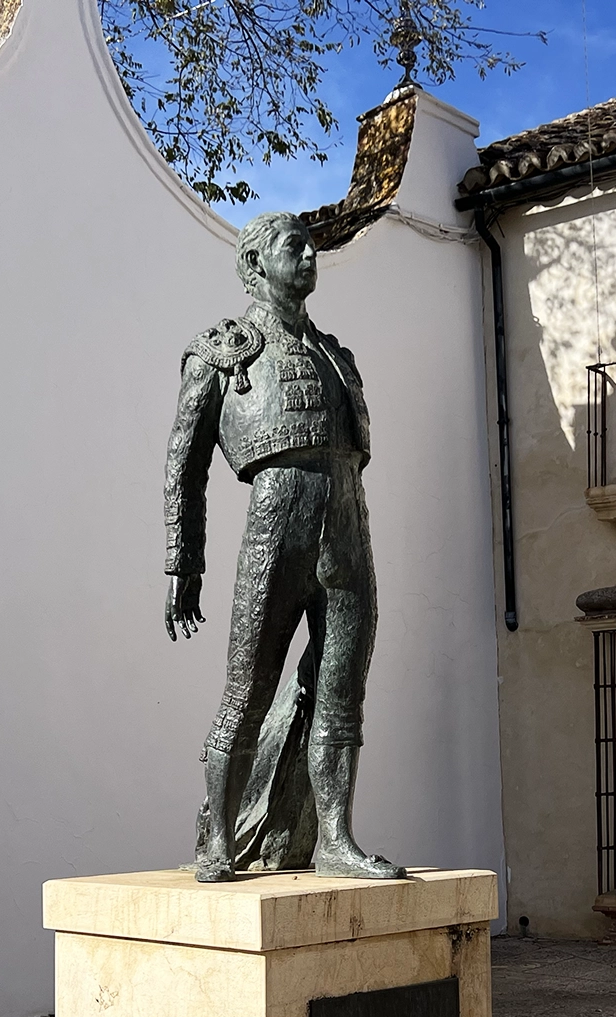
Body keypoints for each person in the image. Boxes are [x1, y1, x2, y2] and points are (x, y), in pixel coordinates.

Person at [161, 212, 406, 884]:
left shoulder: (336, 355)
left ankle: (334, 837)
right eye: (291, 246)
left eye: (310, 245)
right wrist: (184, 562)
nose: (307, 255)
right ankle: (216, 841)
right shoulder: (220, 352)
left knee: (341, 692)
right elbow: (184, 465)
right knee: (247, 692)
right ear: (254, 264)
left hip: (346, 526)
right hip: (276, 525)